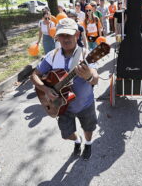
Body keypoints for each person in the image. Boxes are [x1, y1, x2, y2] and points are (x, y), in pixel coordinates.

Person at [30, 18, 99, 161]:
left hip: (85, 104)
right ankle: (77, 140)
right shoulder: (52, 55)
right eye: (62, 35)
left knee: (88, 129)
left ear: (77, 35)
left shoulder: (87, 55)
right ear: (57, 37)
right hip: (61, 106)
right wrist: (46, 89)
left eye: (69, 35)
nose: (65, 39)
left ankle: (88, 143)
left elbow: (96, 79)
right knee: (67, 134)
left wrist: (88, 76)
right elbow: (34, 75)